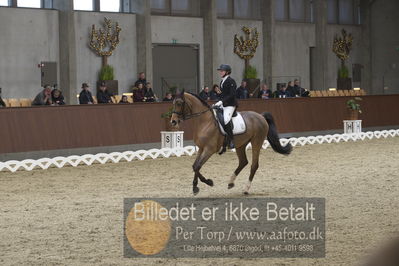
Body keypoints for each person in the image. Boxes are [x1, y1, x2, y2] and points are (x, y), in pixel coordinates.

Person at [213, 64, 237, 150]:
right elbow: (223, 94)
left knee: (226, 120)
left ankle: (231, 141)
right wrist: (217, 102)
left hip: (230, 105)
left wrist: (221, 101)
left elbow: (232, 94)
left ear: (227, 72)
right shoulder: (222, 81)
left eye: (222, 71)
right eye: (220, 71)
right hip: (224, 104)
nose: (220, 72)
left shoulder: (231, 81)